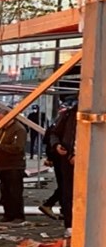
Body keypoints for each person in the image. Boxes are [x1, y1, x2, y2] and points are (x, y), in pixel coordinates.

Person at [0, 108, 27, 224]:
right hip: (3, 164)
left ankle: (18, 215)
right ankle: (8, 214)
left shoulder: (18, 129)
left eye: (0, 121)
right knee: (5, 191)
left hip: (14, 165)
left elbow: (17, 147)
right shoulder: (2, 130)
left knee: (15, 191)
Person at [49, 99, 76, 237]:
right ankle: (70, 224)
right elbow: (54, 133)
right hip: (67, 161)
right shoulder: (68, 115)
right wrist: (56, 145)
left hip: (92, 162)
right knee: (68, 192)